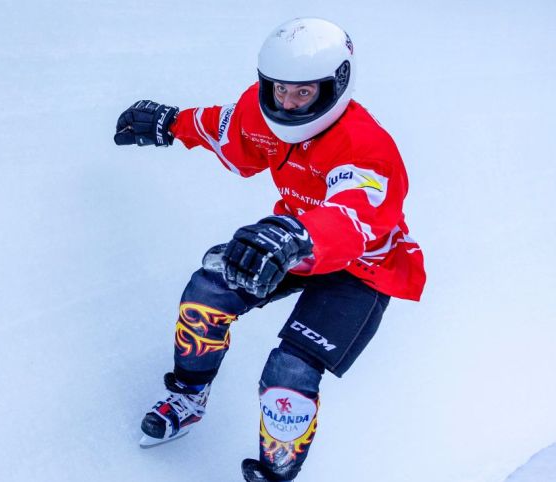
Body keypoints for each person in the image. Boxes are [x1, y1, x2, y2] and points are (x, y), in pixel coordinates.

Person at [113, 17, 426, 482]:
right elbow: (224, 126)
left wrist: (295, 235)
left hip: (363, 267)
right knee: (207, 293)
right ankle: (189, 395)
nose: (287, 103)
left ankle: (274, 473)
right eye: (279, 89)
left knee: (289, 372)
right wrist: (169, 123)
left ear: (336, 84)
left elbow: (354, 216)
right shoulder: (261, 115)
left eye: (304, 93)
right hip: (290, 238)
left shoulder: (367, 146)